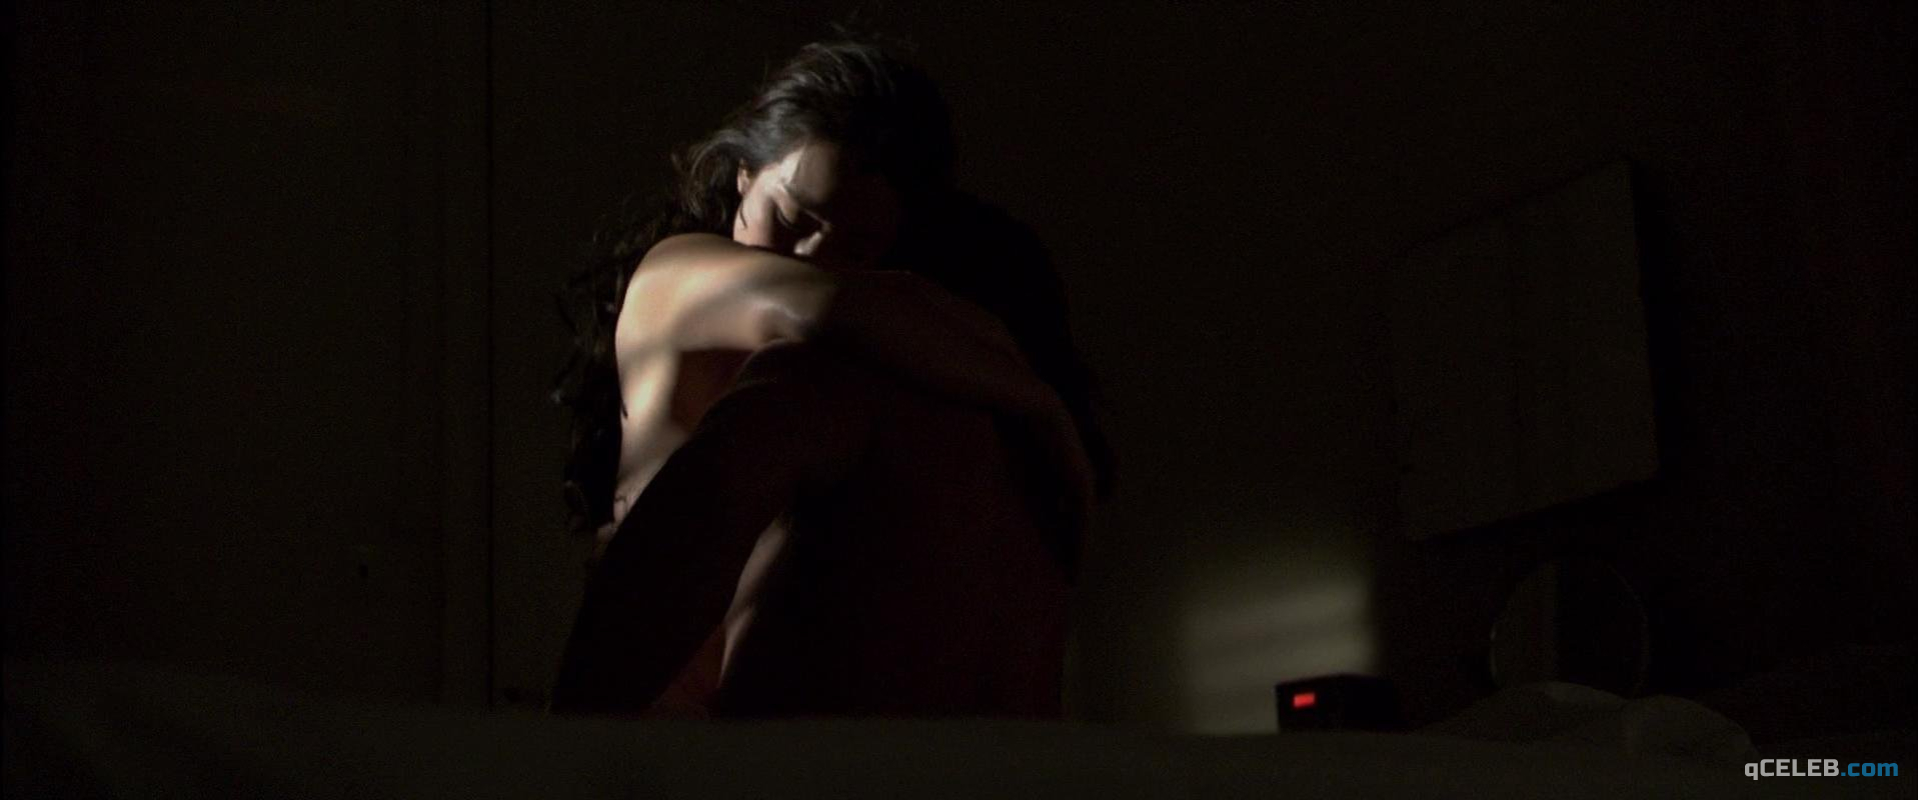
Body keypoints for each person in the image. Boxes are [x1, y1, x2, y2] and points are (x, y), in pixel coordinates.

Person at [547, 35, 1112, 719]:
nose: (813, 255)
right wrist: (1043, 407)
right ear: (743, 176)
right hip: (651, 698)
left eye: (858, 246)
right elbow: (825, 304)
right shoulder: (679, 271)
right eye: (791, 217)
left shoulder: (873, 360)